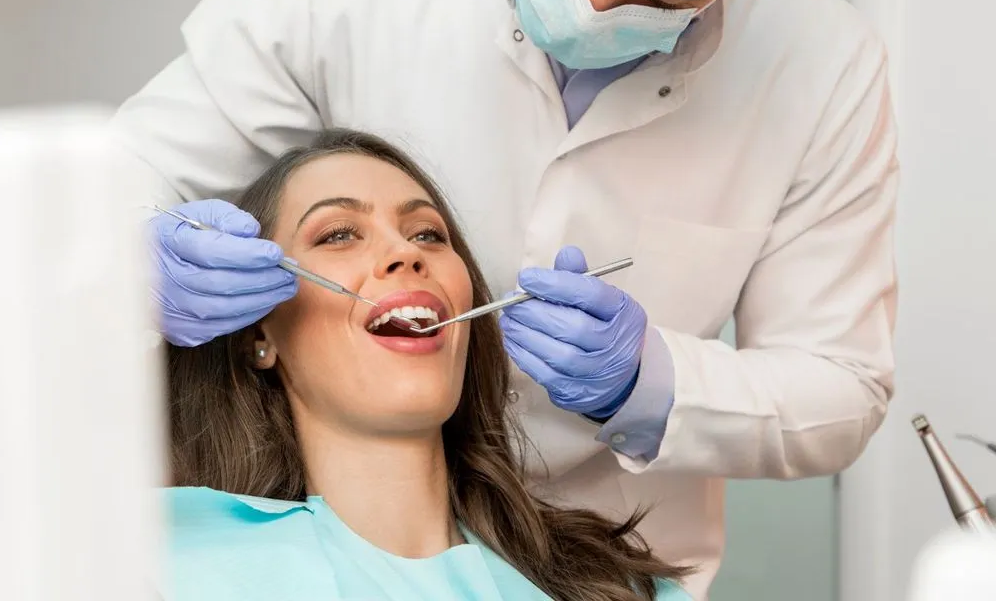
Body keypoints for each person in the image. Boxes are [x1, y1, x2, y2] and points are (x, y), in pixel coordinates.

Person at [115, 0, 899, 595]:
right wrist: (135, 259)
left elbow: (841, 383)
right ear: (262, 339)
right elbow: (112, 185)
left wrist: (650, 383)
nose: (591, 4)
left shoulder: (824, 66)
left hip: (598, 568)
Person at [159, 129, 692, 601]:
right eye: (338, 234)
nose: (405, 254)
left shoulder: (623, 590)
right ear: (259, 333)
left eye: (428, 235)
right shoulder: (157, 564)